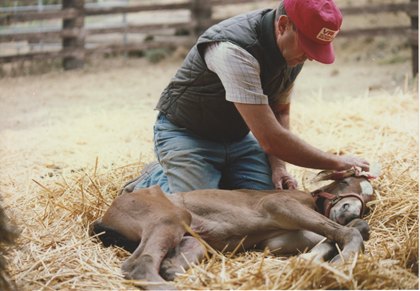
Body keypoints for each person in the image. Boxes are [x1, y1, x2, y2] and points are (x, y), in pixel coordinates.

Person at [125, 0, 370, 194]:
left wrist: (279, 167)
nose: (312, 57)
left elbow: (279, 111)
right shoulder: (234, 50)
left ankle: (212, 177)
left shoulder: (293, 51)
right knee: (199, 211)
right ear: (283, 25)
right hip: (187, 135)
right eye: (308, 47)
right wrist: (337, 162)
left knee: (271, 201)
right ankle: (155, 178)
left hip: (236, 140)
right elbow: (270, 139)